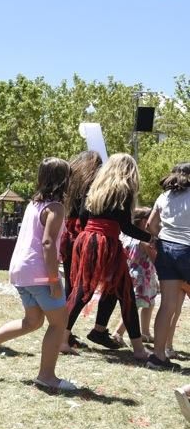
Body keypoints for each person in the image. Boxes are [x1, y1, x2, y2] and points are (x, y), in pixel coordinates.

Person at [0, 158, 77, 391]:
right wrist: (53, 279)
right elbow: (48, 243)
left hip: (20, 270)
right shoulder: (56, 208)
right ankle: (47, 376)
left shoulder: (33, 204)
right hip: (39, 272)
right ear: (64, 180)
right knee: (59, 323)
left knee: (33, 321)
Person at [64, 153, 153, 363]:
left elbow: (84, 218)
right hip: (106, 243)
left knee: (83, 290)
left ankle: (62, 337)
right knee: (124, 293)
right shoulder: (124, 191)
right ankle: (138, 349)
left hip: (88, 240)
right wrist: (151, 237)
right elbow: (126, 227)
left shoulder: (96, 188)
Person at [61, 151, 115, 351]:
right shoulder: (93, 183)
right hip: (85, 235)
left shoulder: (70, 182)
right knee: (90, 287)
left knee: (72, 286)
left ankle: (64, 332)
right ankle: (69, 333)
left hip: (69, 234)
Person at [148, 162, 190, 369]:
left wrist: (162, 238)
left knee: (167, 305)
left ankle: (158, 356)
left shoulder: (164, 197)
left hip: (166, 249)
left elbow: (150, 225)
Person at [112, 208, 159, 346]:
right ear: (145, 221)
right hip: (142, 277)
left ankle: (145, 333)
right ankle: (118, 333)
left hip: (133, 274)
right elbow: (155, 258)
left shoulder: (127, 236)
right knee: (136, 305)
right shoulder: (145, 240)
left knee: (149, 304)